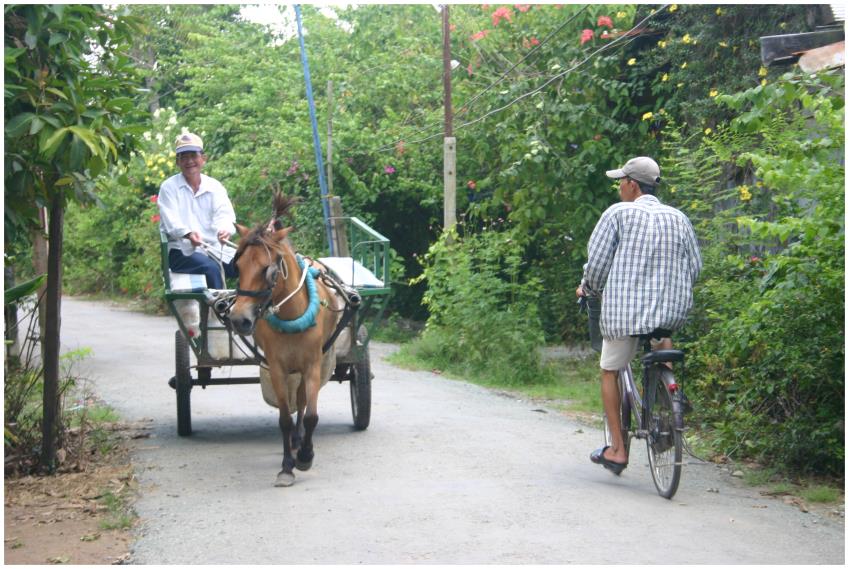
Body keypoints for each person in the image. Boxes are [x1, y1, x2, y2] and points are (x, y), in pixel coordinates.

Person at [575, 156, 701, 475]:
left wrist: (587, 288)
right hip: (670, 311)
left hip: (624, 313)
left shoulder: (618, 213)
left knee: (609, 369)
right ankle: (667, 402)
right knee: (661, 338)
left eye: (621, 182)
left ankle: (617, 450)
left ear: (632, 185)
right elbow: (695, 268)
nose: (619, 187)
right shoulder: (679, 217)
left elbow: (599, 264)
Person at [158, 132, 238, 289]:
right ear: (177, 162)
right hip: (181, 251)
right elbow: (171, 222)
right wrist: (188, 234)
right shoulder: (168, 187)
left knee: (249, 263)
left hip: (214, 249)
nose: (189, 161)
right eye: (184, 157)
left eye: (193, 156)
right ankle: (219, 311)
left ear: (203, 159)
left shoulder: (215, 186)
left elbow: (225, 215)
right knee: (211, 269)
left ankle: (250, 309)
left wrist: (225, 231)